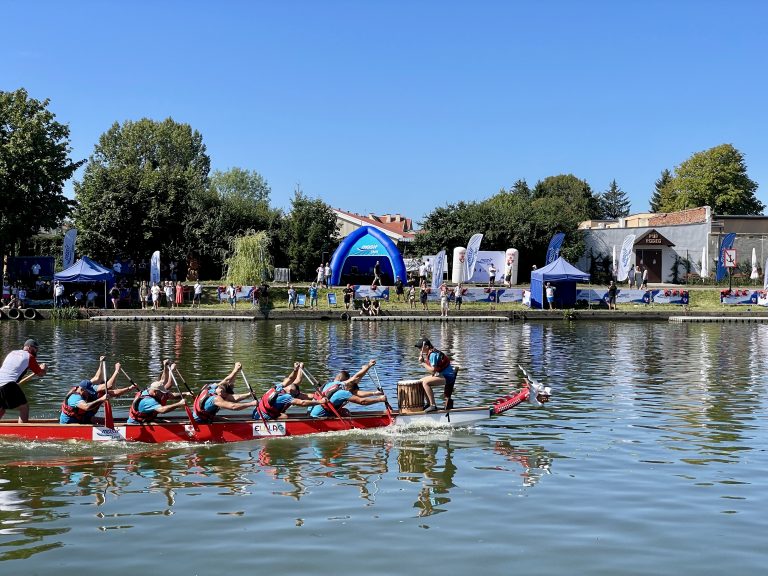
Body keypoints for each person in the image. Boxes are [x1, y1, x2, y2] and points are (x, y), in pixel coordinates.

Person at [60, 360, 135, 424]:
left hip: (84, 420)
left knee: (107, 421)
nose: (91, 392)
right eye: (88, 391)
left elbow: (111, 390)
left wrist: (129, 388)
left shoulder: (90, 388)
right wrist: (116, 371)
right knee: (98, 420)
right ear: (82, 390)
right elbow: (86, 407)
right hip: (69, 423)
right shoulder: (75, 397)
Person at [309, 360, 385, 418]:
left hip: (309, 413)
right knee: (346, 413)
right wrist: (380, 399)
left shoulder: (333, 384)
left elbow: (356, 379)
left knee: (345, 411)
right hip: (318, 417)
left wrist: (374, 393)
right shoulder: (343, 393)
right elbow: (362, 401)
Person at [253, 362, 326, 421]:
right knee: (285, 416)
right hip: (262, 418)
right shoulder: (286, 397)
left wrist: (296, 369)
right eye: (296, 395)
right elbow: (302, 402)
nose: (298, 395)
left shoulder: (279, 387)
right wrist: (320, 402)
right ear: (292, 393)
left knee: (282, 412)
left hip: (256, 412)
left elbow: (292, 379)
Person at [192, 362, 259, 423]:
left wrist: (236, 370)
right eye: (227, 395)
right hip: (200, 421)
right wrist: (251, 403)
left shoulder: (211, 387)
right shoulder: (216, 399)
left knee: (227, 420)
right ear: (224, 394)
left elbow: (227, 380)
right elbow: (233, 406)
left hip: (200, 416)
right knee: (231, 422)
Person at [0, 339, 47, 422]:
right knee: (24, 408)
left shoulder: (12, 353)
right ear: (29, 347)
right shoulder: (29, 356)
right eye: (35, 348)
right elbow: (40, 374)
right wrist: (43, 368)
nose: (36, 351)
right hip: (8, 384)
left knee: (2, 409)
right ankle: (23, 432)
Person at [415, 338, 458, 412]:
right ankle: (428, 404)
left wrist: (422, 362)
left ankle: (433, 405)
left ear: (427, 347)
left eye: (420, 347)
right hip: (443, 375)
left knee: (425, 383)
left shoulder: (433, 355)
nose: (419, 349)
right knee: (420, 381)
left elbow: (433, 370)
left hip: (448, 377)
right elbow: (433, 372)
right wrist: (424, 361)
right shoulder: (431, 353)